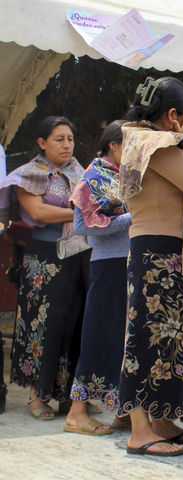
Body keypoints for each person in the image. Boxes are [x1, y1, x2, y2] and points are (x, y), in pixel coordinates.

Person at [117, 76, 183, 456]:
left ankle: (161, 420)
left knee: (170, 338)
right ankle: (140, 430)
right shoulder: (153, 142)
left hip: (168, 249)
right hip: (158, 251)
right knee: (148, 338)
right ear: (175, 115)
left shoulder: (145, 139)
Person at [0, 116, 89, 420]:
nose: (67, 145)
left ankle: (68, 395)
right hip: (44, 259)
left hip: (78, 255)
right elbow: (36, 210)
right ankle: (36, 395)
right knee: (42, 322)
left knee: (74, 321)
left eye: (70, 139)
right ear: (42, 143)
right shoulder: (29, 174)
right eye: (59, 139)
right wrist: (76, 213)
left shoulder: (81, 172)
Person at [63, 120, 132, 435]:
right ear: (114, 145)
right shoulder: (93, 177)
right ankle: (77, 412)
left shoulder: (124, 176)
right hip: (108, 265)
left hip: (127, 263)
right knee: (99, 336)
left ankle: (122, 410)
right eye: (130, 146)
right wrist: (136, 217)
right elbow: (83, 226)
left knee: (122, 339)